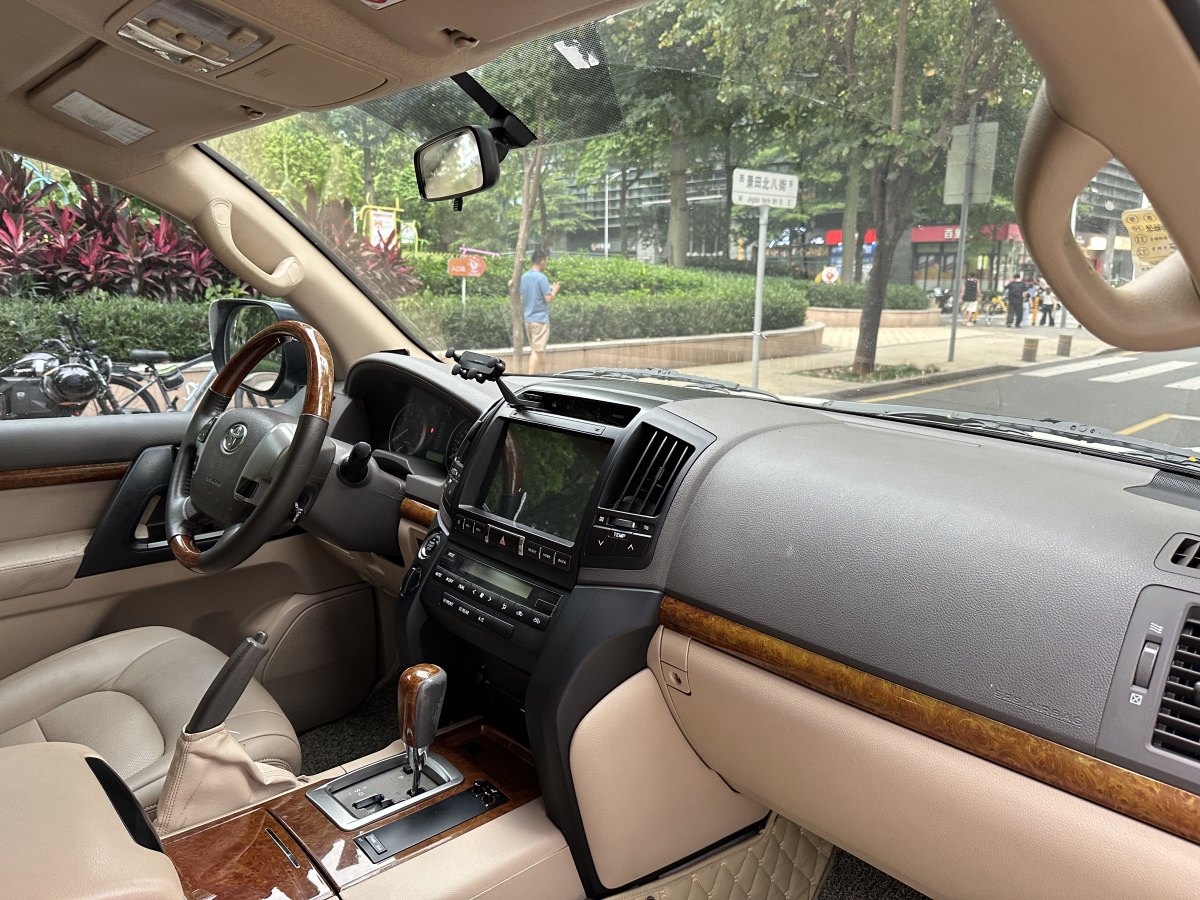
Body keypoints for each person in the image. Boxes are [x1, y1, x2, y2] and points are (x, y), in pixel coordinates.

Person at [520, 250, 560, 373]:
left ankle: (545, 374)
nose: (546, 264)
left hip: (528, 319)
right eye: (546, 261)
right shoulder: (542, 278)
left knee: (539, 350)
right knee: (537, 351)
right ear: (542, 261)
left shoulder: (524, 277)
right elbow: (548, 299)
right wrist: (554, 291)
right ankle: (529, 376)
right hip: (540, 320)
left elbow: (523, 296)